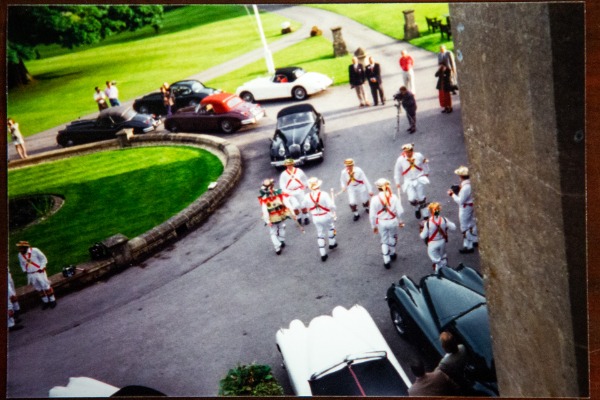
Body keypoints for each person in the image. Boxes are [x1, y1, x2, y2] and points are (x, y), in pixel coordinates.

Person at [369, 178, 405, 269]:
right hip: (392, 221)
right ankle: (392, 253)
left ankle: (386, 260)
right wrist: (400, 221)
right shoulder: (394, 197)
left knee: (384, 239)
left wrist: (373, 226)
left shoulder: (374, 199)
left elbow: (372, 215)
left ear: (378, 188)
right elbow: (400, 211)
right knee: (392, 236)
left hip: (381, 222)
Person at [303, 177, 337, 262]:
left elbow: (303, 205)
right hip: (325, 215)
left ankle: (323, 254)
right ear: (319, 185)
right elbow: (330, 205)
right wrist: (334, 208)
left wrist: (310, 208)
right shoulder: (324, 194)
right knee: (330, 227)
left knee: (320, 233)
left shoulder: (307, 196)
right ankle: (332, 243)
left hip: (315, 217)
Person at [259, 179, 295, 255]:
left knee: (273, 232)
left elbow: (265, 210)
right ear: (272, 186)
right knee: (282, 227)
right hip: (280, 214)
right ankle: (281, 241)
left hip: (272, 217)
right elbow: (286, 203)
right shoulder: (278, 192)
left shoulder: (264, 197)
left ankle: (277, 248)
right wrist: (292, 212)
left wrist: (267, 220)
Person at [16, 241, 57, 309]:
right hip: (31, 274)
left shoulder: (35, 250)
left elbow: (43, 259)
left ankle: (52, 300)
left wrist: (42, 267)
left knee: (46, 286)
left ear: (25, 247)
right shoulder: (19, 255)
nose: (20, 250)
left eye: (21, 248)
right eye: (19, 248)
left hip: (39, 272)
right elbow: (22, 264)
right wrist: (25, 270)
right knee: (38, 289)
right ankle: (46, 301)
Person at [394, 143, 430, 219]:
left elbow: (424, 163)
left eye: (409, 152)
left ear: (412, 151)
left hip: (419, 178)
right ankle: (417, 207)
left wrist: (426, 172)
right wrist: (397, 182)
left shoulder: (419, 156)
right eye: (406, 152)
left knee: (421, 197)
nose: (407, 154)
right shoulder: (400, 160)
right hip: (408, 180)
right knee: (411, 199)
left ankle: (425, 216)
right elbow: (397, 171)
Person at [448, 166, 479, 253]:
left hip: (465, 208)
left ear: (461, 176)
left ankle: (468, 246)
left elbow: (460, 201)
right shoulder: (469, 184)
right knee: (471, 223)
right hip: (470, 205)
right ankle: (474, 240)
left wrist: (452, 195)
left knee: (464, 226)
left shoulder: (465, 187)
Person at [419, 203, 456, 272]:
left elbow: (423, 236)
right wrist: (445, 226)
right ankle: (446, 269)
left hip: (433, 244)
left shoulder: (428, 223)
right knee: (443, 256)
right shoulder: (444, 220)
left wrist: (421, 231)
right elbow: (454, 227)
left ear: (430, 211)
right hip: (442, 241)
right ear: (439, 210)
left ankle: (439, 272)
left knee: (436, 260)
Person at [279, 159, 310, 225]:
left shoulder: (299, 171)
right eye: (287, 165)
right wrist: (285, 192)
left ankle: (306, 218)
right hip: (290, 192)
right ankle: (298, 218)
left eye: (290, 165)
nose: (289, 166)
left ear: (293, 164)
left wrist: (306, 185)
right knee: (295, 206)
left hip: (299, 190)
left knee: (303, 204)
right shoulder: (283, 174)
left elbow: (304, 178)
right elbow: (282, 185)